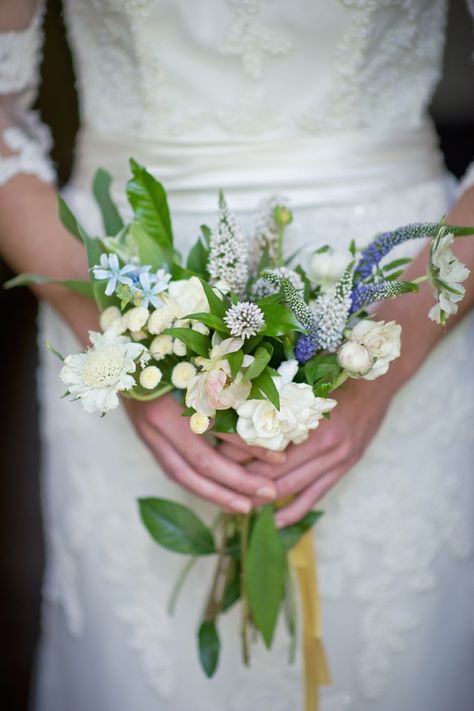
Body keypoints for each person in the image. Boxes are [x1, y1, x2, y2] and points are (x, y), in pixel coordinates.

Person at [1, 1, 473, 710]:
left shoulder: (401, 331)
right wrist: (125, 348)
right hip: (121, 285)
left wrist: (394, 349)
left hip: (405, 288)